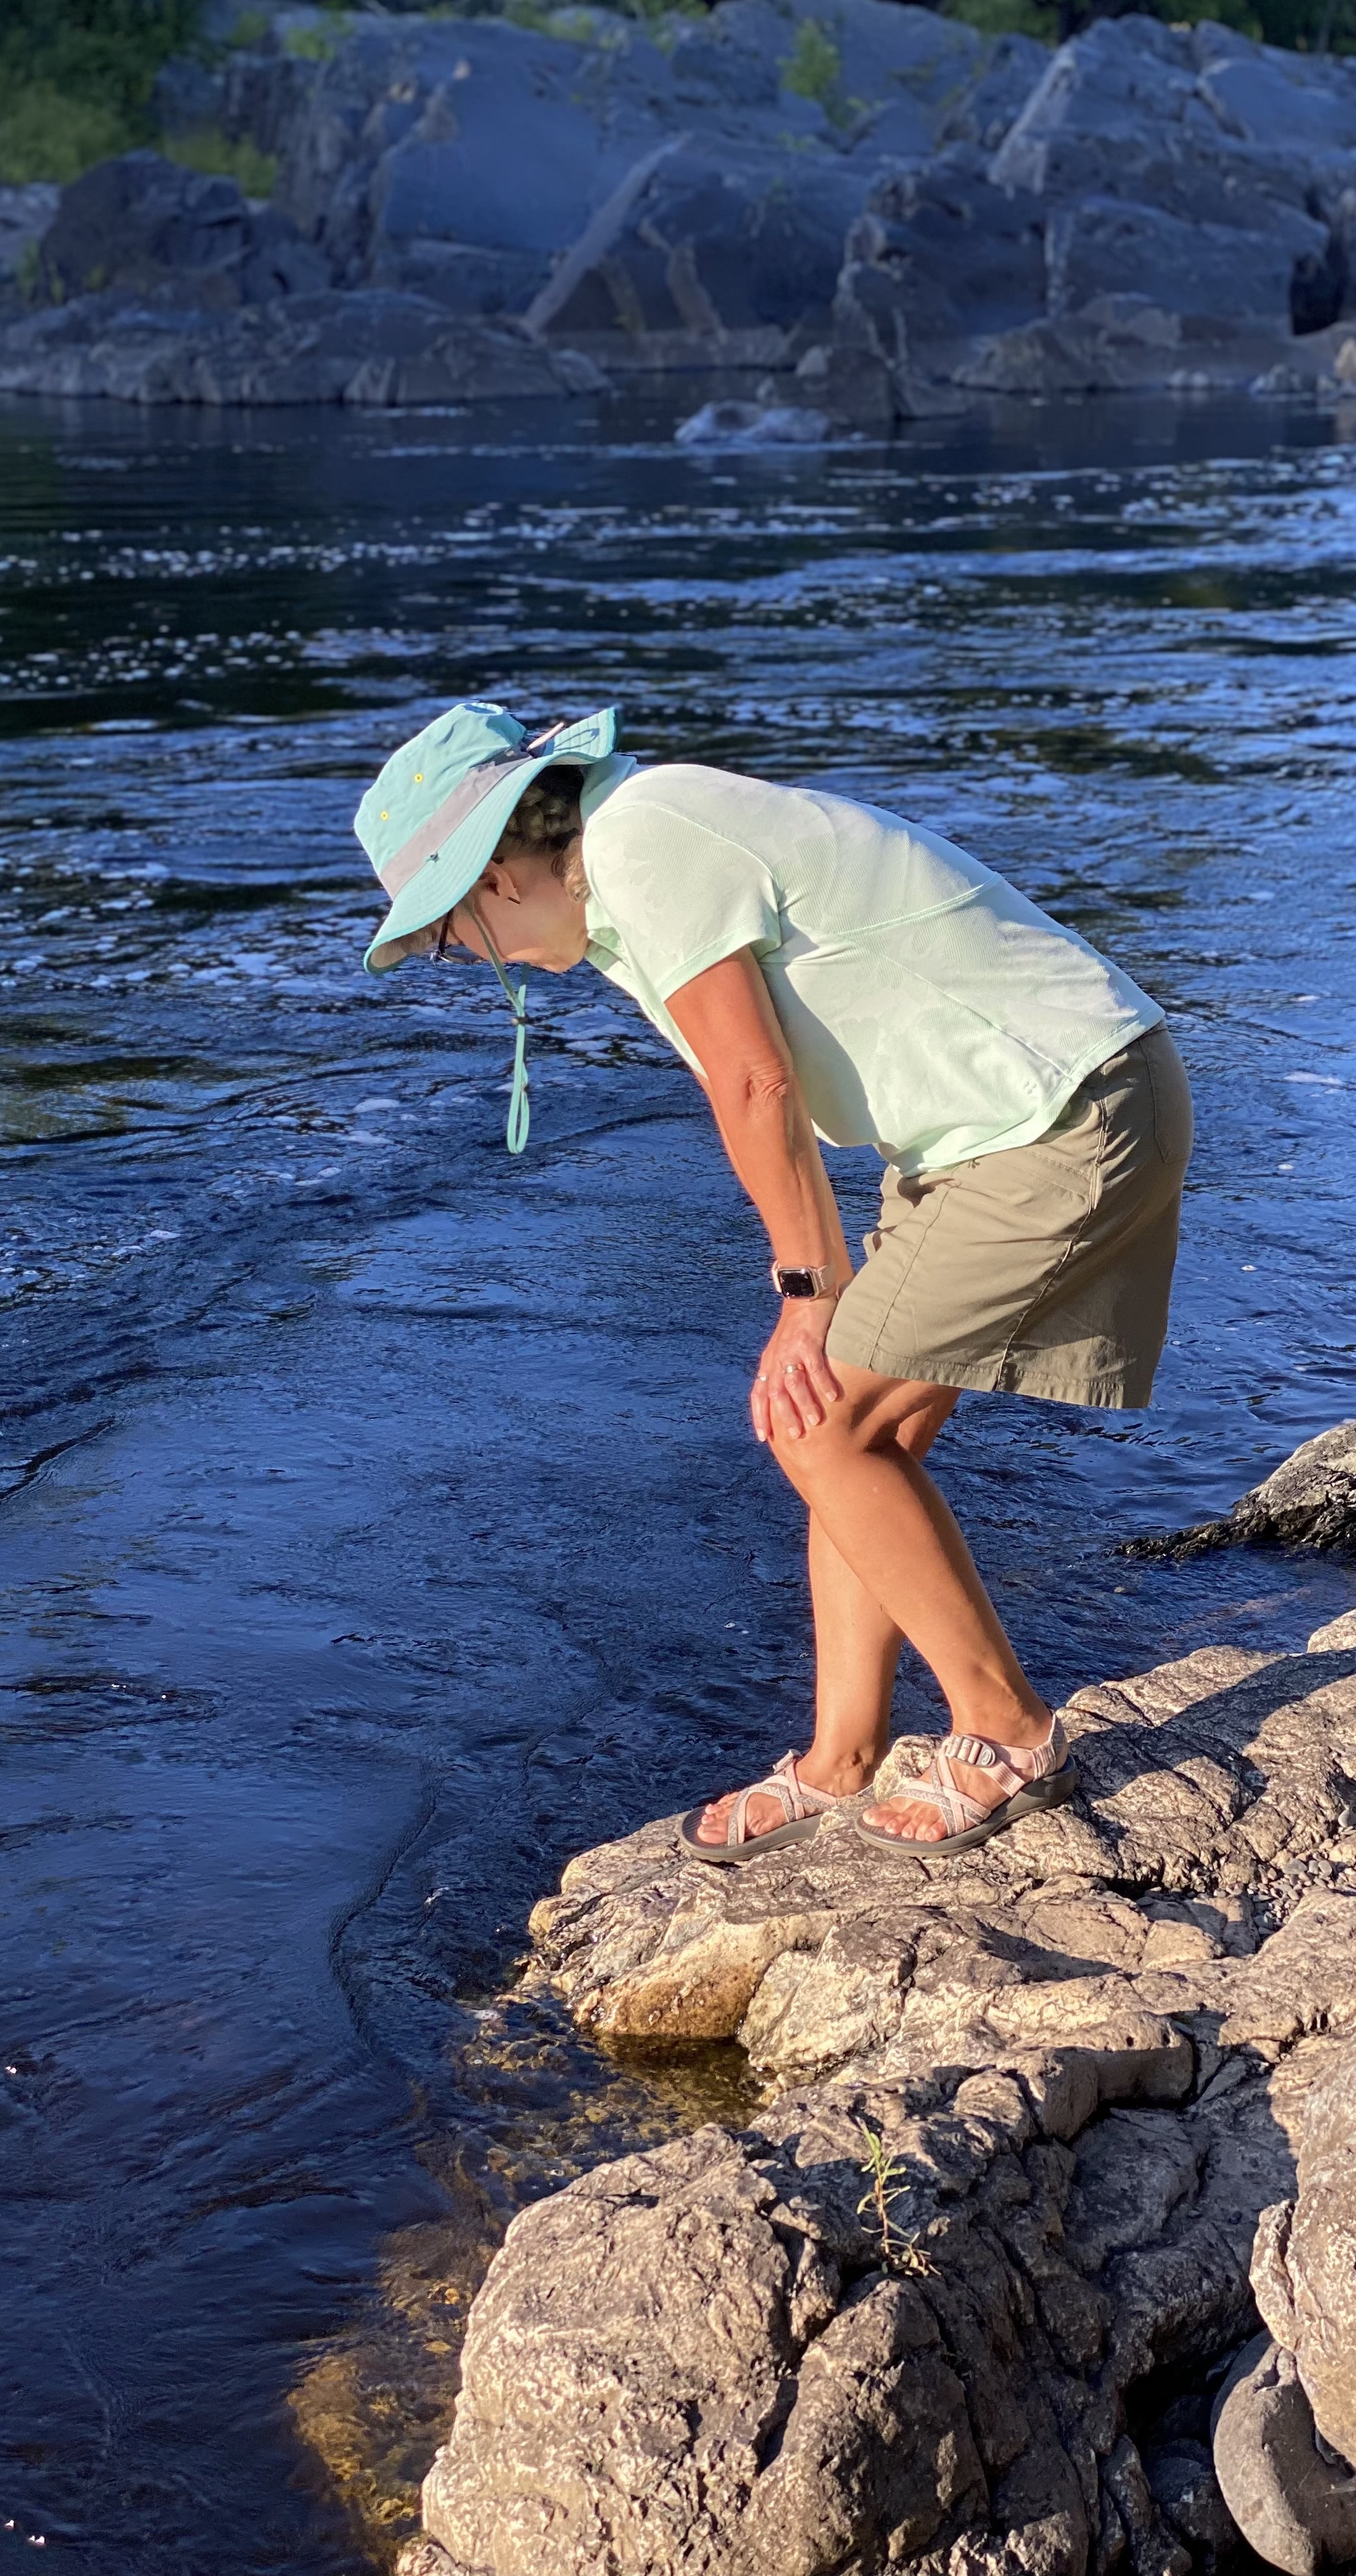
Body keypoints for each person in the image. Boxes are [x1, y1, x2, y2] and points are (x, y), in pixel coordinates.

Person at [354, 701, 1191, 1861]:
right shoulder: (629, 863)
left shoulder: (644, 840)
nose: (465, 961)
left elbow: (756, 1084)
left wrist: (808, 1288)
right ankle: (841, 1757)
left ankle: (1007, 1729)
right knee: (847, 1440)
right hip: (988, 1128)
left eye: (450, 937)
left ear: (495, 873)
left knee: (822, 1427)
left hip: (1054, 1116)